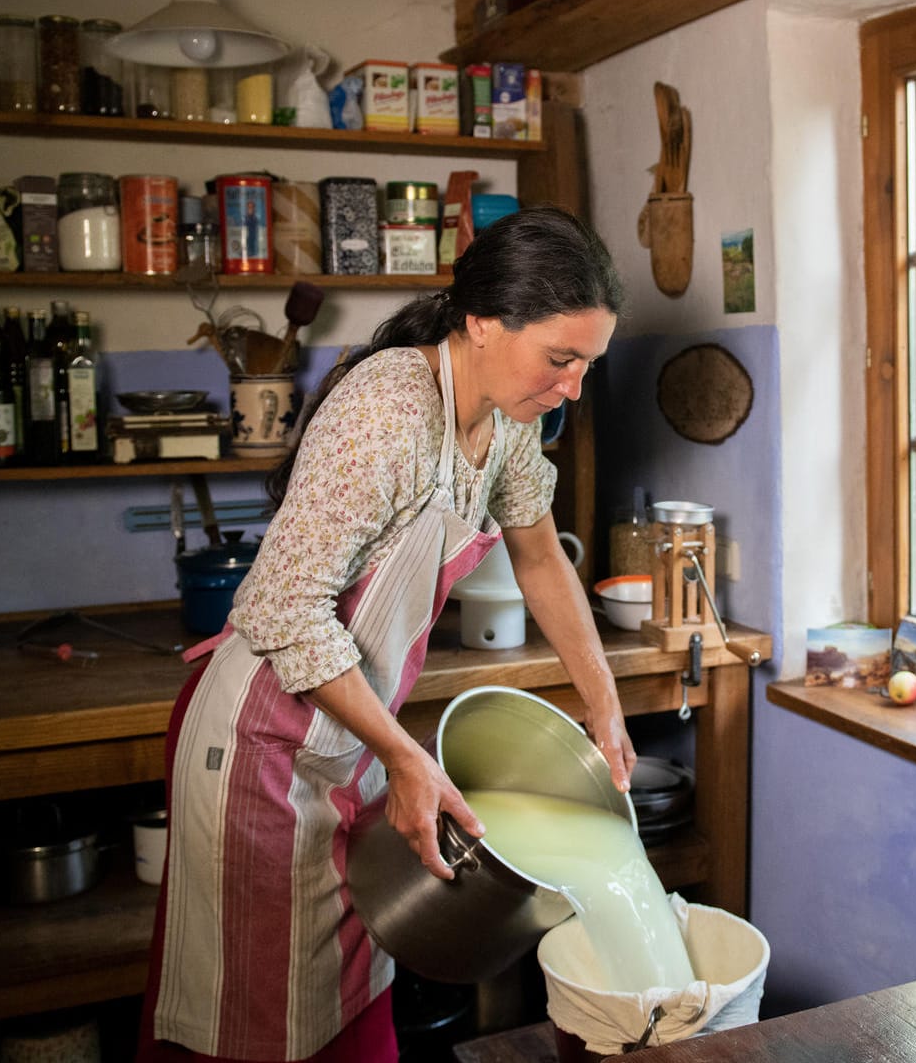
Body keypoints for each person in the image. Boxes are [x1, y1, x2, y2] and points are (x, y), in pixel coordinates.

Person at [138, 206, 635, 1062]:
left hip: (353, 738)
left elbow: (542, 557)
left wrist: (606, 705)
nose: (573, 389)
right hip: (263, 747)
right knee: (250, 1026)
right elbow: (284, 606)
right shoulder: (386, 412)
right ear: (483, 322)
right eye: (561, 359)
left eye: (588, 365)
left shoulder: (507, 425)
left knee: (346, 1005)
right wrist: (407, 757)